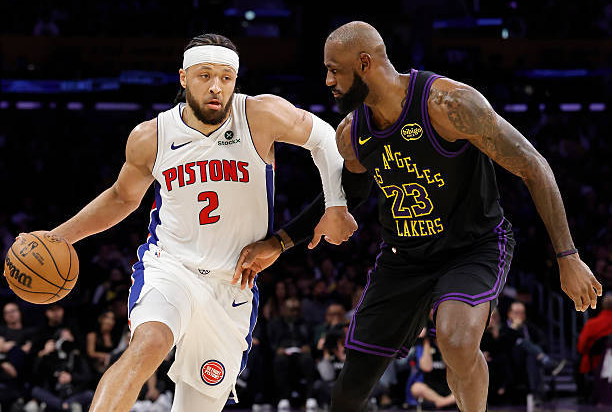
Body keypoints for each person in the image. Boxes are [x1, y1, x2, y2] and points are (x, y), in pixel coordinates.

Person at [234, 21, 603, 412]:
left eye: (334, 70)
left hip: (471, 248)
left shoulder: (448, 105)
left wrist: (567, 256)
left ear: (364, 64)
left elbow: (532, 164)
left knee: (456, 341)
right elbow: (342, 197)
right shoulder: (352, 134)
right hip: (404, 259)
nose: (328, 81)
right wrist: (279, 242)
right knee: (349, 390)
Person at [19, 33, 357, 412]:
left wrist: (336, 204)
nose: (216, 87)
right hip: (171, 268)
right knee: (148, 344)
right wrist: (57, 237)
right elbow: (122, 198)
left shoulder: (259, 115)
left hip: (232, 284)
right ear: (183, 77)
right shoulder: (152, 136)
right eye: (205, 75)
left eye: (226, 77)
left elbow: (326, 138)